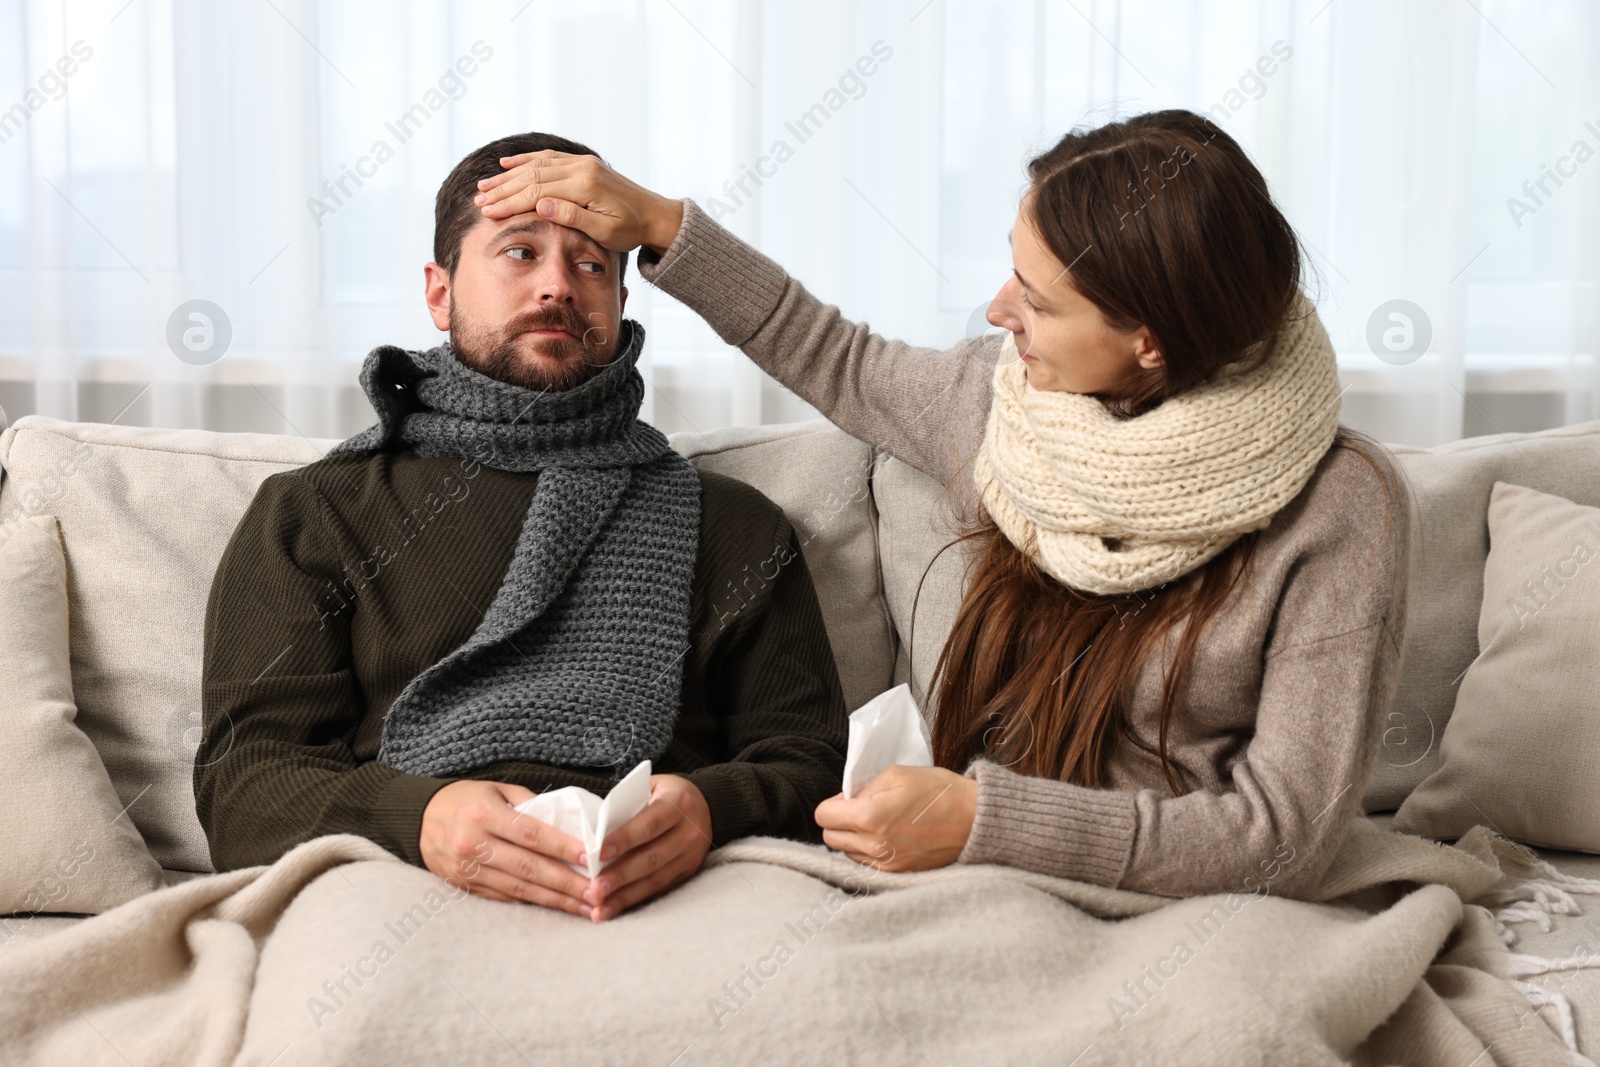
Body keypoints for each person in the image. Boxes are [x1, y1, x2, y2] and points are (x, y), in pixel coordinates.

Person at [471, 109, 1410, 901]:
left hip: (1190, 906)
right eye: (1012, 268)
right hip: (979, 880)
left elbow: (1279, 839)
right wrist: (661, 222)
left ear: (1149, 343)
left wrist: (987, 821)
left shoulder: (1338, 506)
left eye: (1038, 301)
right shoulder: (1008, 408)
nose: (999, 312)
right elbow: (831, 352)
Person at [196, 132, 849, 923]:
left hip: (678, 897)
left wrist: (712, 805)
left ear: (619, 298)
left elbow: (812, 763)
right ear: (439, 294)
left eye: (590, 262)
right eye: (518, 252)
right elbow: (245, 785)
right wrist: (421, 818)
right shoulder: (315, 512)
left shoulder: (733, 524)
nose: (558, 288)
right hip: (398, 891)